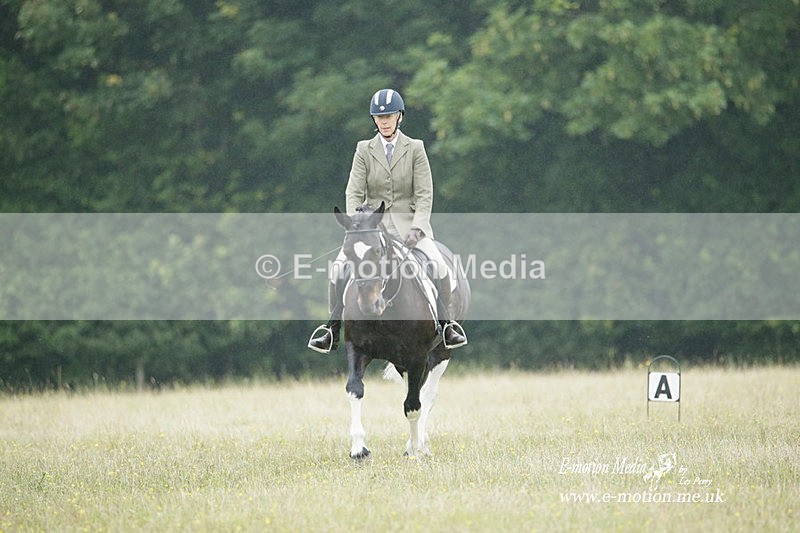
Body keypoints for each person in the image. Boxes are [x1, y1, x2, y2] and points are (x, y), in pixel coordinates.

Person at [308, 88, 467, 353]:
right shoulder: (363, 150)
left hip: (411, 229)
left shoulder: (415, 148)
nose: (384, 121)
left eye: (389, 116)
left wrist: (418, 227)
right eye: (379, 117)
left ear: (399, 117)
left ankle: (447, 325)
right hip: (371, 229)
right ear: (374, 120)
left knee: (440, 267)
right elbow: (353, 192)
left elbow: (425, 193)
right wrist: (358, 226)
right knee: (337, 270)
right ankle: (331, 330)